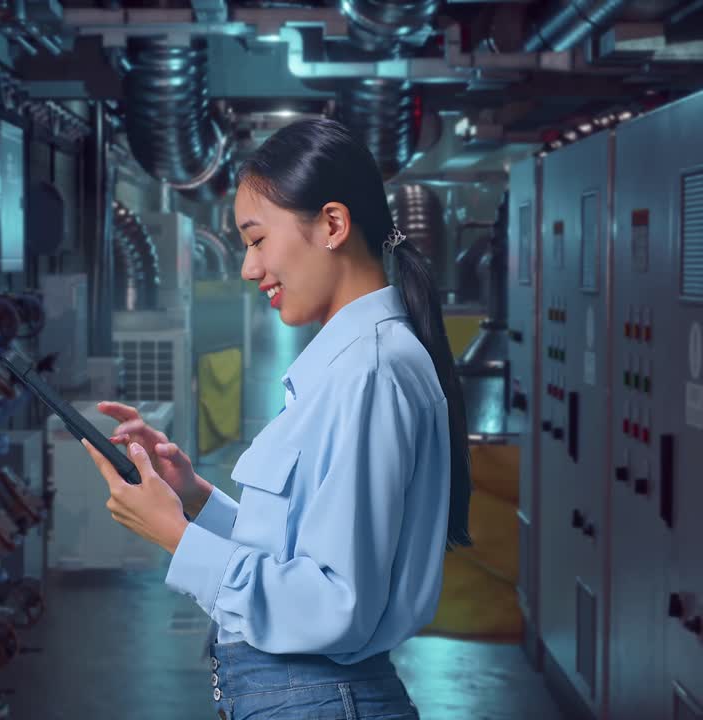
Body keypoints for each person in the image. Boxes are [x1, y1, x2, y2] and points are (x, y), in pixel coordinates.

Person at [81, 117, 473, 720]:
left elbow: (335, 605)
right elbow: (305, 554)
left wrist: (174, 536)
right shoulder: (354, 365)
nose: (247, 267)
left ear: (333, 225)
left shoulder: (367, 372)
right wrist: (193, 497)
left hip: (316, 699)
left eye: (257, 239)